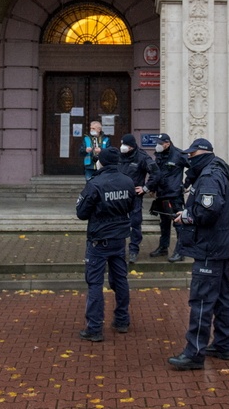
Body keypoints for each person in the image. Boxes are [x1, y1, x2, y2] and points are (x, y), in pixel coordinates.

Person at [167, 138, 229, 371]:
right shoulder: (217, 171)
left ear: (202, 154)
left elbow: (208, 212)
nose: (188, 159)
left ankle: (194, 353)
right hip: (219, 245)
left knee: (202, 301)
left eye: (191, 155)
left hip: (210, 246)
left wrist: (186, 216)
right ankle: (223, 344)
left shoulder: (208, 177)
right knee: (222, 298)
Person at [76, 146, 135, 342]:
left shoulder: (95, 183)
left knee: (95, 283)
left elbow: (81, 212)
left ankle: (94, 328)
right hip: (119, 239)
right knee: (120, 279)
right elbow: (132, 206)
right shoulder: (128, 182)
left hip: (99, 241)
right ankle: (122, 320)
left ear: (101, 161)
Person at [117, 134, 160, 264]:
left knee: (135, 224)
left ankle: (133, 251)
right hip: (118, 196)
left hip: (134, 196)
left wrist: (146, 188)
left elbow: (156, 173)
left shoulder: (142, 157)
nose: (122, 147)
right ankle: (118, 251)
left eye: (125, 145)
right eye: (122, 144)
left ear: (131, 146)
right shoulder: (117, 155)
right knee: (118, 224)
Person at [148, 133, 190, 262]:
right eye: (158, 143)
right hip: (161, 194)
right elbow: (156, 173)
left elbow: (194, 169)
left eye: (161, 143)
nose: (158, 145)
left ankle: (180, 251)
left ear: (168, 143)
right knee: (164, 223)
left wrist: (185, 185)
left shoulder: (179, 154)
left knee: (178, 222)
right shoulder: (159, 154)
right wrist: (153, 188)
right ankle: (163, 247)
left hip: (174, 195)